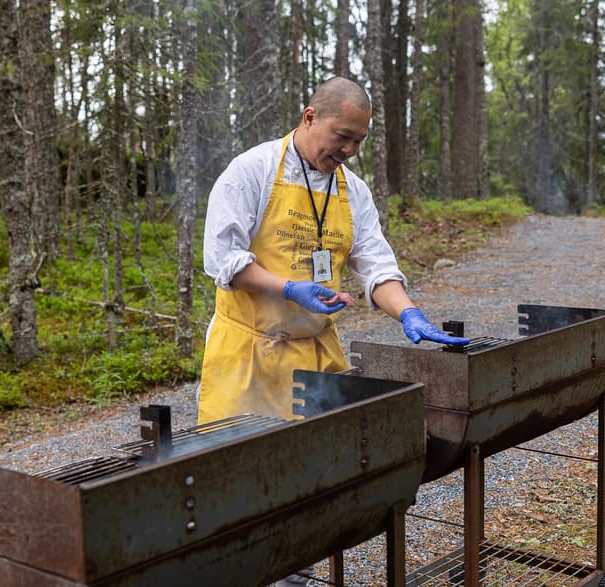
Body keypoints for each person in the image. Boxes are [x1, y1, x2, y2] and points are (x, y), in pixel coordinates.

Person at [198, 76, 468, 426]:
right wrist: (290, 289)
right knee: (244, 468)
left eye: (359, 141)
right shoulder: (251, 172)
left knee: (326, 466)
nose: (350, 151)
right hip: (249, 360)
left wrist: (408, 313)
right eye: (342, 137)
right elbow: (223, 259)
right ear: (309, 117)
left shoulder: (353, 191)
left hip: (318, 356)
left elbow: (376, 265)